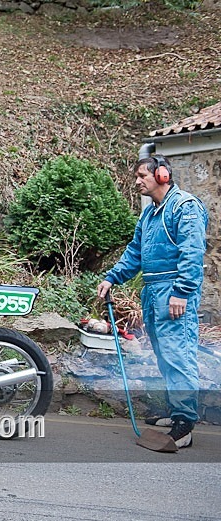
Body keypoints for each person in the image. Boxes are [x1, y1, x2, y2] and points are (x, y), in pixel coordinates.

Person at [97, 155, 208, 448]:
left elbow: (192, 252)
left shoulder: (185, 207)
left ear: (162, 175)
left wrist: (182, 292)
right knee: (163, 354)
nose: (137, 182)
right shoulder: (149, 214)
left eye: (141, 176)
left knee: (178, 354)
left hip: (173, 291)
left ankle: (184, 425)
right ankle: (176, 412)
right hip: (153, 290)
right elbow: (135, 253)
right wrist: (112, 278)